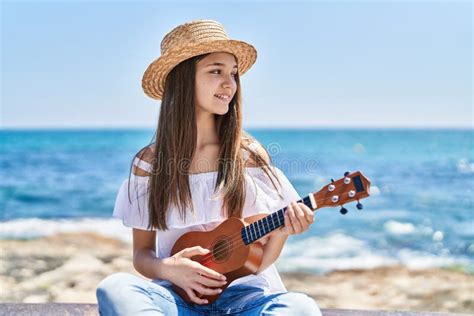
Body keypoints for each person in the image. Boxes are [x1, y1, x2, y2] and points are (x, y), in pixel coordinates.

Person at [96, 19, 321, 315]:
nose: (230, 84)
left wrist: (281, 232)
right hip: (176, 301)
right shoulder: (149, 164)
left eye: (234, 73)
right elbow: (142, 255)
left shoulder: (248, 156)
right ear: (183, 79)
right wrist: (169, 269)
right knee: (114, 288)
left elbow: (258, 261)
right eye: (216, 71)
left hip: (247, 301)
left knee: (301, 306)